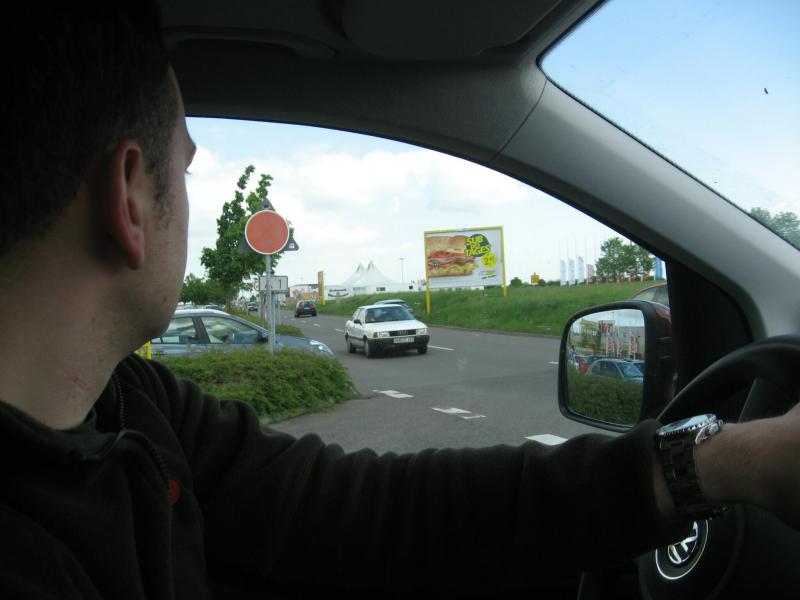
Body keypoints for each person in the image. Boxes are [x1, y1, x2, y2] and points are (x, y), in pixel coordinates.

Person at [0, 4, 798, 598]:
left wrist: (721, 463)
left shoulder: (133, 405)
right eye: (183, 169)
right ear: (130, 200)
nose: (187, 194)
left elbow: (373, 514)